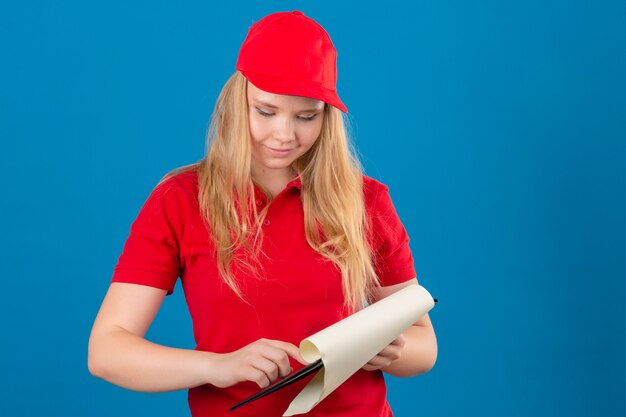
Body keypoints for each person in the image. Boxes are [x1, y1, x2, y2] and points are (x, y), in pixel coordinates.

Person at [88, 10, 437, 417]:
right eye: (266, 112)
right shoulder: (180, 200)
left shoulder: (366, 201)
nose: (285, 135)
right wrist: (216, 366)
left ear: (327, 118)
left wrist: (389, 350)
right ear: (238, 104)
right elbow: (107, 350)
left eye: (306, 117)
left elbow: (424, 345)